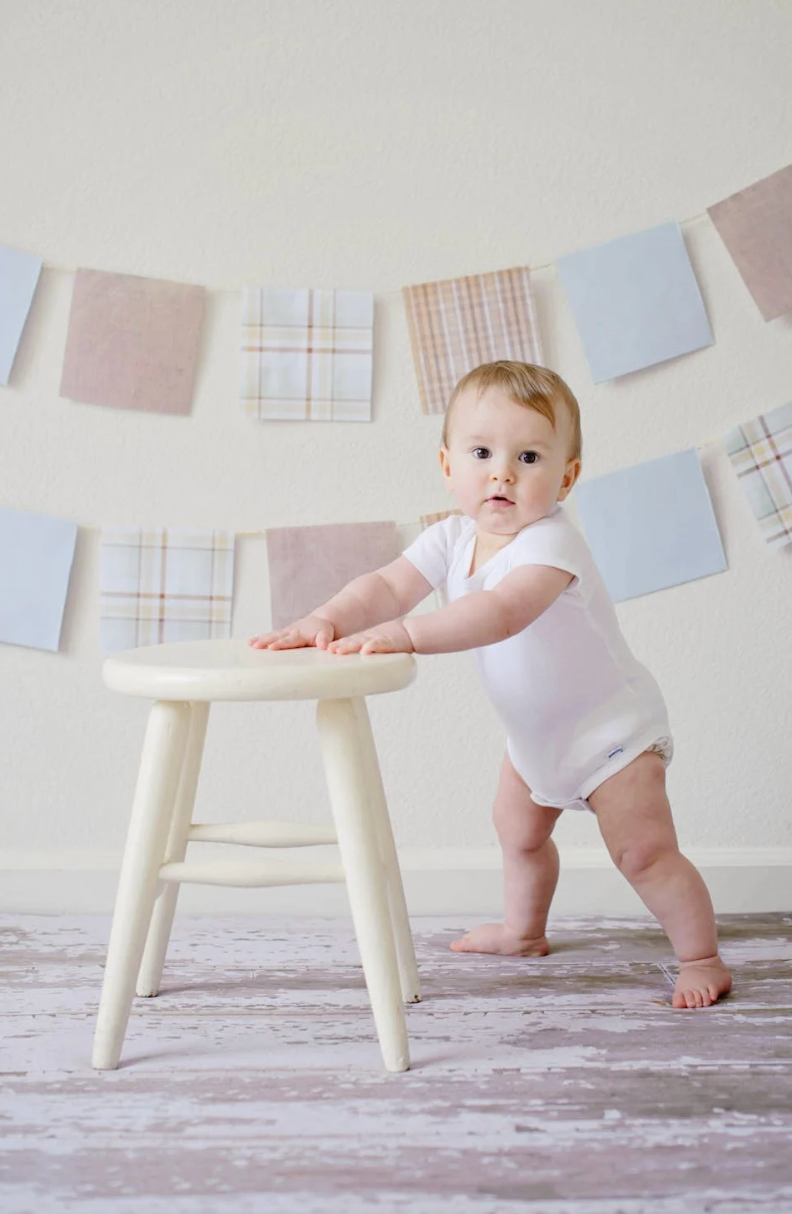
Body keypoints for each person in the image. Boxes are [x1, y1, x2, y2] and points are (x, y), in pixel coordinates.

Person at [250, 360, 732, 1010]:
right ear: (448, 466)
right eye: (482, 452)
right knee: (519, 833)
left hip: (614, 736)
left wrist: (408, 634)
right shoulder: (449, 538)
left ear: (566, 476)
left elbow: (501, 613)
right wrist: (326, 618)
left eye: (528, 456)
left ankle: (701, 956)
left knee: (643, 853)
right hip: (535, 739)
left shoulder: (551, 546)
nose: (502, 472)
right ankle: (523, 930)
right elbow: (387, 586)